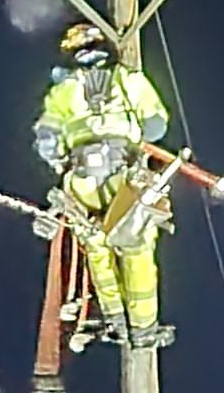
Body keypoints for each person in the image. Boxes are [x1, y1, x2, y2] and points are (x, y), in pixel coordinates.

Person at [31, 21, 175, 350]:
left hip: (82, 180)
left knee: (97, 248)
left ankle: (117, 323)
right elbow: (156, 126)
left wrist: (63, 156)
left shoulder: (63, 91)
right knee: (136, 246)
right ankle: (143, 330)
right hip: (123, 177)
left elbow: (47, 141)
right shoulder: (129, 80)